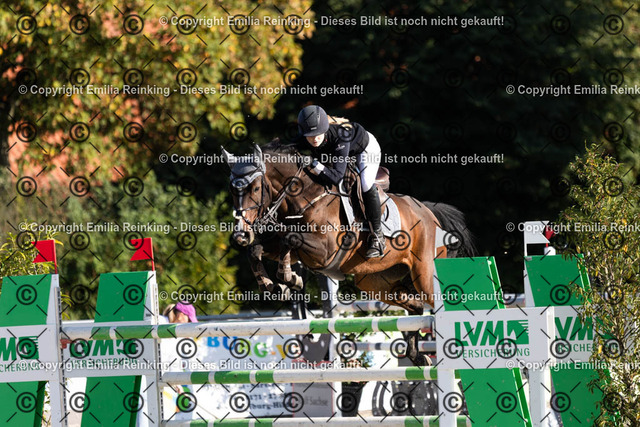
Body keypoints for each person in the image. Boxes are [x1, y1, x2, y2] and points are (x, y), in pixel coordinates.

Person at [296, 105, 385, 258]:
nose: (315, 139)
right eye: (310, 136)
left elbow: (337, 177)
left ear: (324, 129)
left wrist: (314, 164)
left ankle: (377, 236)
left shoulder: (340, 137)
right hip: (339, 152)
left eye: (318, 134)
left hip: (365, 149)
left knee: (366, 183)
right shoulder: (305, 136)